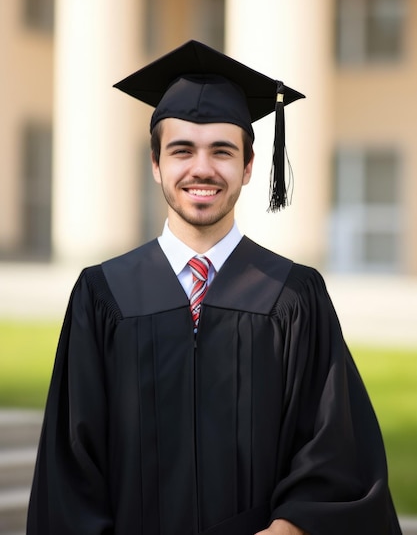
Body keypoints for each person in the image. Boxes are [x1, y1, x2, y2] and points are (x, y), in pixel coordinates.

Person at [27, 40, 402, 535]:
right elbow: (70, 469)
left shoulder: (294, 297)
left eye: (221, 152)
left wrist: (289, 528)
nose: (201, 169)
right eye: (181, 150)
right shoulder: (103, 296)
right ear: (156, 165)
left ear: (247, 168)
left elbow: (337, 451)